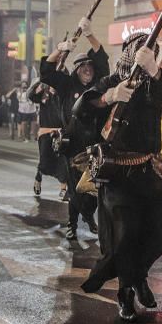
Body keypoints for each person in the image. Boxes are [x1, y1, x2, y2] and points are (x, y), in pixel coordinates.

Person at [78, 34, 162, 322]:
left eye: (153, 51)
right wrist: (110, 97)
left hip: (150, 170)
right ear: (129, 52)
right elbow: (82, 108)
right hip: (117, 174)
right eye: (143, 50)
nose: (147, 55)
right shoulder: (111, 82)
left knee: (158, 237)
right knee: (125, 237)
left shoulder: (155, 83)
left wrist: (155, 69)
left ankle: (138, 276)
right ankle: (126, 292)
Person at [39, 16, 109, 239]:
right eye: (83, 66)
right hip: (72, 143)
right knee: (73, 187)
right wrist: (60, 50)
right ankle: (72, 224)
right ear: (76, 69)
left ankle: (89, 216)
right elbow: (47, 72)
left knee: (94, 186)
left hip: (96, 143)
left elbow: (103, 59)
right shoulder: (67, 84)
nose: (88, 69)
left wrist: (89, 33)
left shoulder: (99, 85)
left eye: (90, 66)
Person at [27, 79, 67, 198]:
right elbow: (31, 95)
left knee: (62, 161)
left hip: (60, 132)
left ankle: (64, 189)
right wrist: (42, 80)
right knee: (45, 160)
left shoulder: (63, 95)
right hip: (45, 132)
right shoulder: (43, 93)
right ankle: (38, 177)